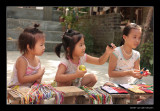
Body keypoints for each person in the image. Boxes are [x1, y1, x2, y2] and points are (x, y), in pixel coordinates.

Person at [106, 23, 152, 104]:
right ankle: (131, 96)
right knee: (107, 85)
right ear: (125, 37)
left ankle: (135, 99)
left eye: (139, 38)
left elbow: (137, 75)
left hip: (131, 85)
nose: (137, 40)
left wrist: (142, 73)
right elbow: (110, 73)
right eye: (134, 37)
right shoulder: (116, 52)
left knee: (150, 92)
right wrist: (128, 72)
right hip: (117, 84)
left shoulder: (136, 54)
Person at [8, 24, 45, 88]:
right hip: (16, 88)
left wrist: (39, 79)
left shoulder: (38, 60)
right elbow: (21, 80)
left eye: (44, 44)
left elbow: (37, 81)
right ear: (29, 47)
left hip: (29, 89)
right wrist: (38, 74)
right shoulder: (22, 61)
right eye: (41, 45)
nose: (44, 47)